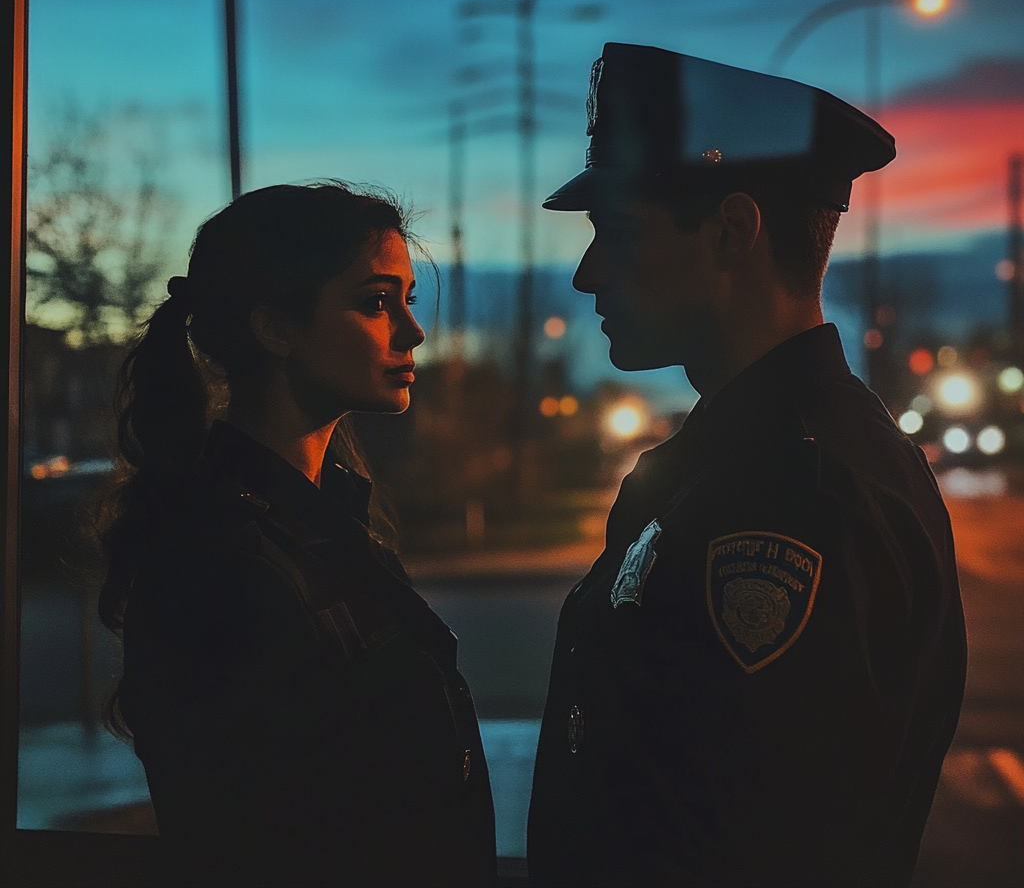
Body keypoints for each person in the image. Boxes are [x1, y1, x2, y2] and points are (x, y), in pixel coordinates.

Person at [527, 43, 967, 888]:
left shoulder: (798, 492)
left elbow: (772, 844)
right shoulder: (751, 458)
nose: (587, 275)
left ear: (732, 231)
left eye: (616, 233)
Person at [97, 182, 496, 887]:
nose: (413, 330)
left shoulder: (323, 518)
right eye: (377, 302)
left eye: (407, 298)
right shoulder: (225, 561)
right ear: (277, 327)